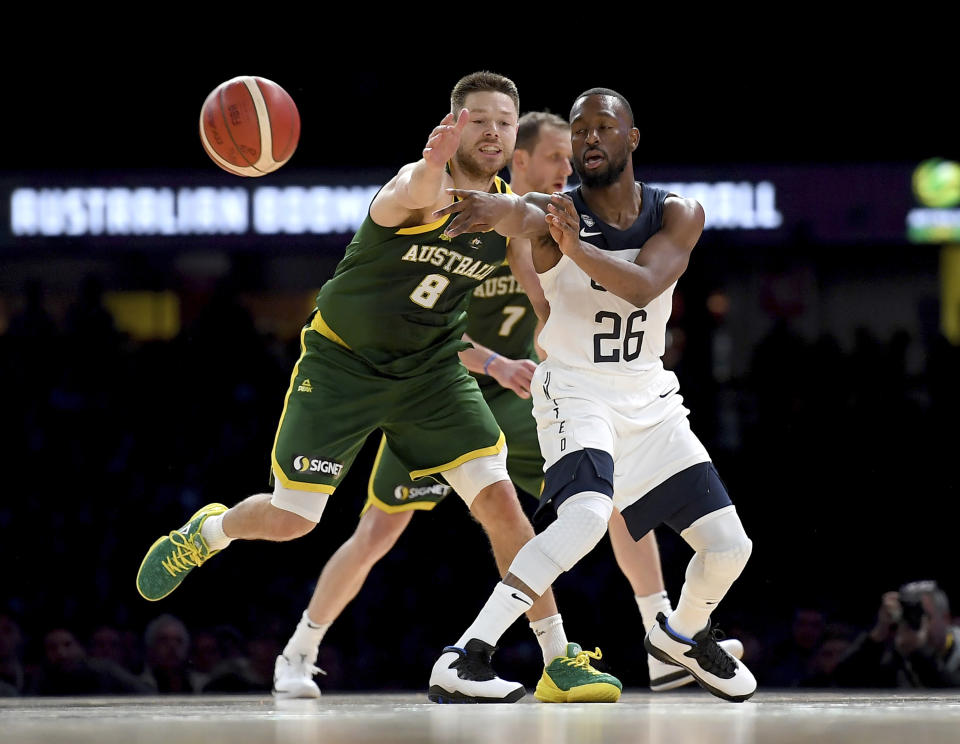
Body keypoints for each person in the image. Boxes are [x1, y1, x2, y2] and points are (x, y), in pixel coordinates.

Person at [136, 71, 610, 704]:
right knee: (291, 521)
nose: (492, 130)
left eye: (503, 119)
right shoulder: (412, 188)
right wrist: (430, 162)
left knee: (501, 505)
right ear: (455, 124)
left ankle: (558, 657)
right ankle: (208, 534)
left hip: (432, 375)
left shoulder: (506, 216)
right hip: (344, 366)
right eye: (479, 118)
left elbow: (540, 302)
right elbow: (414, 188)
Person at [272, 111, 741, 702]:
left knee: (612, 499)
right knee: (377, 531)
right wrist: (495, 362)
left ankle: (656, 638)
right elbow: (417, 330)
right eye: (554, 159)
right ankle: (300, 650)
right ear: (519, 161)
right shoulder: (465, 221)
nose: (566, 170)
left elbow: (561, 314)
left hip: (525, 403)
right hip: (442, 388)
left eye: (569, 163)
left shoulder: (552, 222)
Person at [425, 87, 757, 703]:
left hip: (649, 399)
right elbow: (518, 214)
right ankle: (467, 654)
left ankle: (680, 636)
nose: (589, 141)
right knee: (582, 517)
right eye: (579, 133)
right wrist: (477, 207)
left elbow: (644, 286)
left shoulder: (677, 212)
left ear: (632, 139)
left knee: (730, 548)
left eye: (603, 128)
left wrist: (578, 247)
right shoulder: (553, 212)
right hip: (574, 391)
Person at [830, 580, 960, 688]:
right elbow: (843, 681)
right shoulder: (894, 651)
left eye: (925, 616)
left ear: (946, 619)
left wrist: (919, 651)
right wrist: (878, 634)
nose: (917, 622)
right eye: (909, 616)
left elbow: (952, 693)